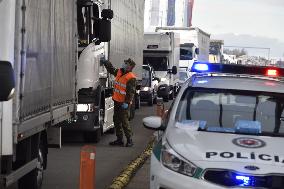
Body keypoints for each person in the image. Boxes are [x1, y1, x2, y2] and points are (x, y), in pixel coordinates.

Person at [102, 58, 136, 147]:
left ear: (129, 67)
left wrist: (127, 102)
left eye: (126, 63)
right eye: (124, 62)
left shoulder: (131, 78)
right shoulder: (120, 72)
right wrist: (106, 62)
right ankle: (119, 139)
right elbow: (111, 69)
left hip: (123, 103)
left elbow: (131, 92)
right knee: (116, 121)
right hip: (117, 101)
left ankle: (129, 140)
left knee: (124, 121)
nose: (124, 64)